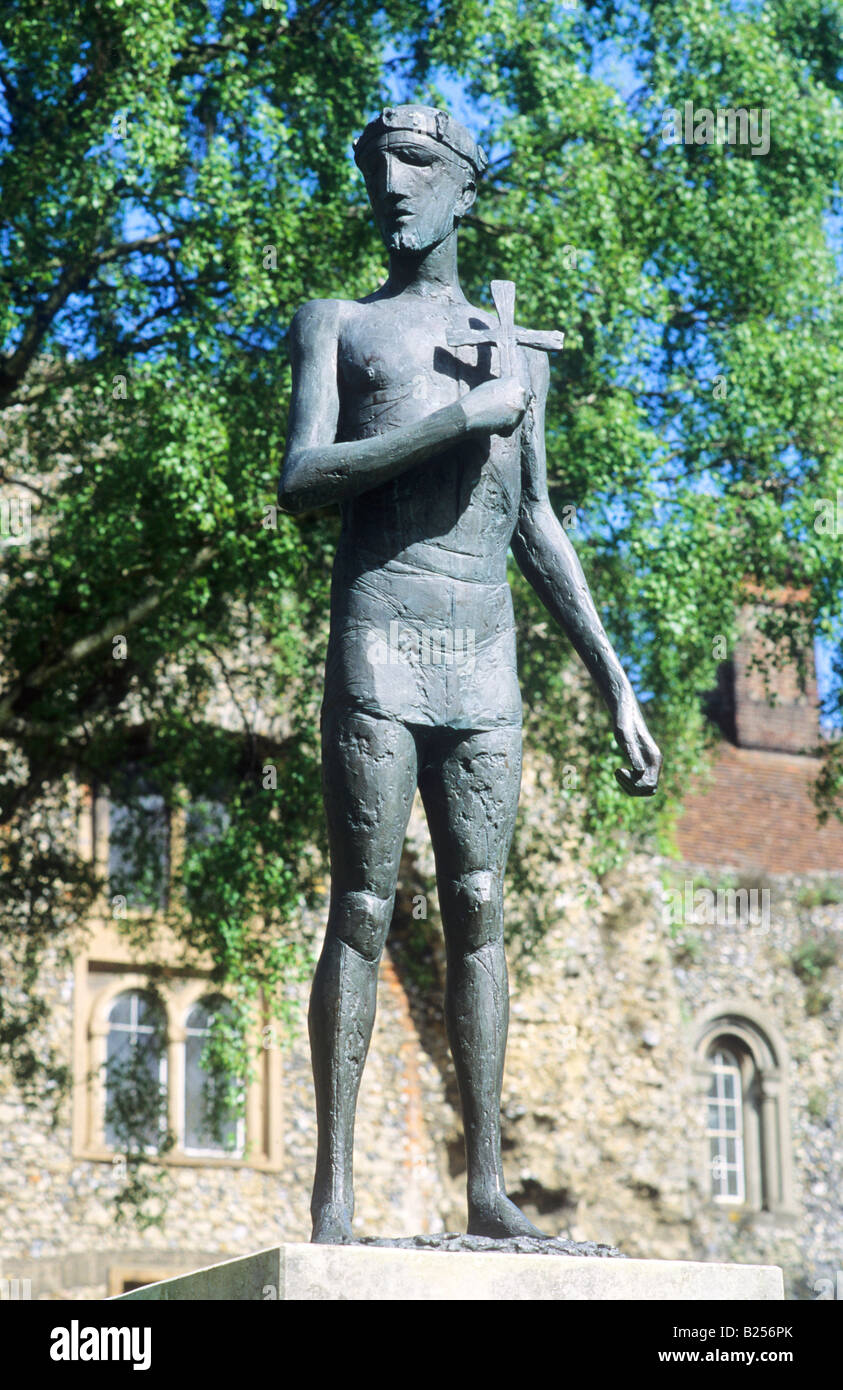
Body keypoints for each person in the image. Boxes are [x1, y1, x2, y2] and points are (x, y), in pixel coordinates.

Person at [279, 104, 662, 1244]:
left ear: (464, 187)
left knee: (483, 905)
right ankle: (334, 1189)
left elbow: (538, 523)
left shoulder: (512, 342)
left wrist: (613, 678)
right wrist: (455, 419)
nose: (390, 186)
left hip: (484, 652)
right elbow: (303, 477)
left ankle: (487, 1184)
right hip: (383, 638)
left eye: (414, 164)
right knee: (360, 904)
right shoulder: (338, 325)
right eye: (373, 167)